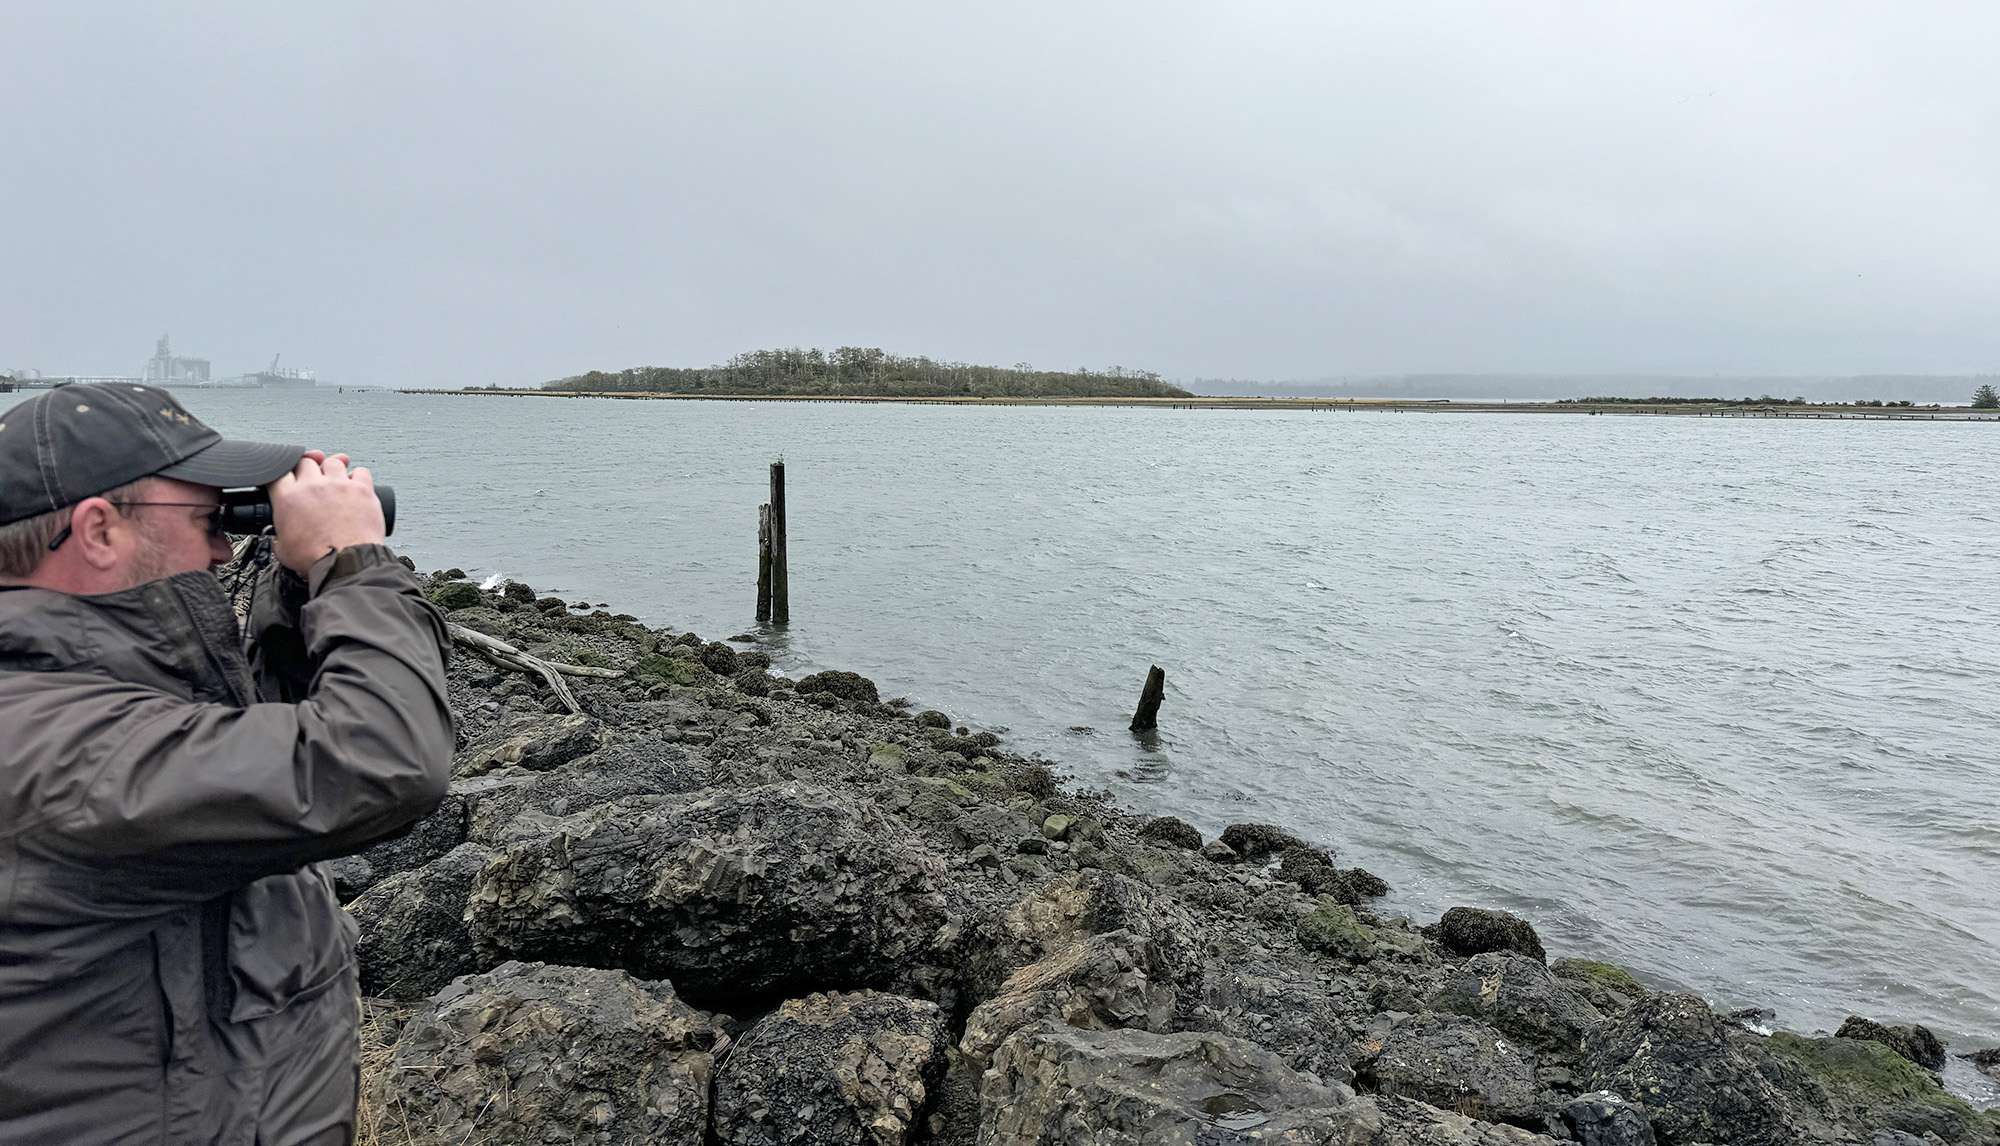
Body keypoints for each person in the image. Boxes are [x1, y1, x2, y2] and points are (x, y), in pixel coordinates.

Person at [0, 383, 455, 1144]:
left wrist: (297, 588)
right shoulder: (51, 751)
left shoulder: (86, 693)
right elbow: (380, 759)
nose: (223, 547)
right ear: (99, 531)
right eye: (209, 519)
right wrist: (354, 566)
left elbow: (256, 741)